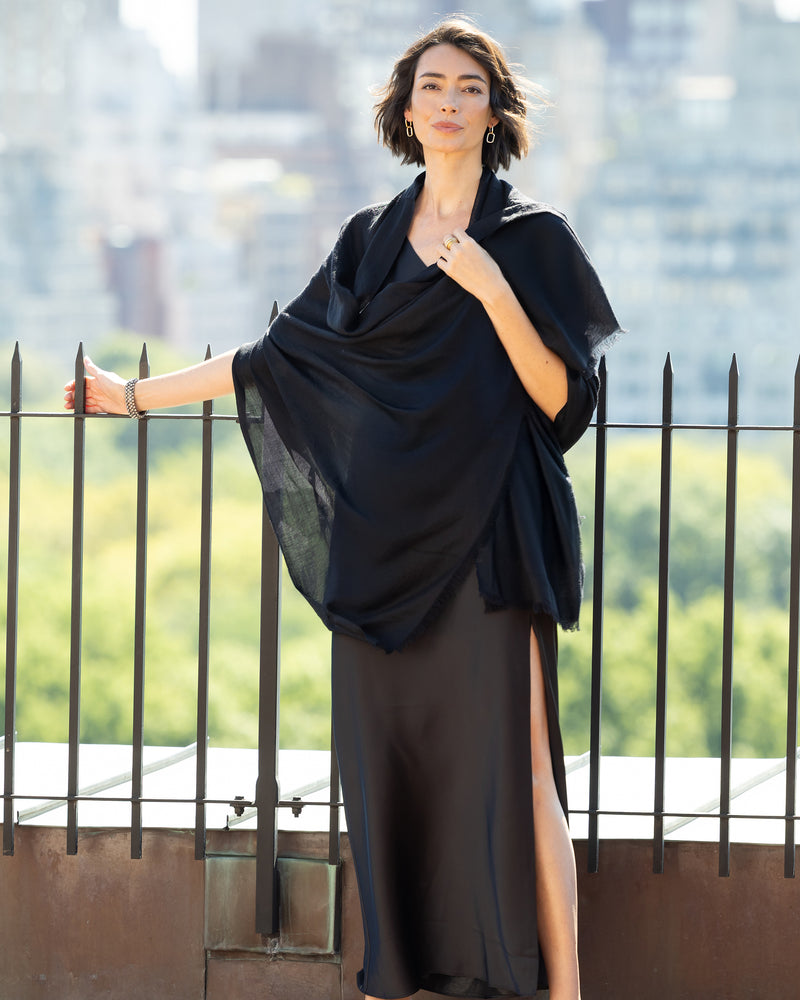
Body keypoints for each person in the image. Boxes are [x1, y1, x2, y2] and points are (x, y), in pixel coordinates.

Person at [65, 17, 619, 1000]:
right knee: (397, 775)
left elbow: (561, 405)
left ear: (495, 113)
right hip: (387, 547)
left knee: (522, 773)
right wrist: (133, 396)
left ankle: (566, 990)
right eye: (431, 86)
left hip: (491, 540)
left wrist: (492, 290)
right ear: (404, 109)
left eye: (469, 88)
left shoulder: (533, 240)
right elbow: (274, 360)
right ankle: (412, 974)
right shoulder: (368, 240)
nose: (448, 103)